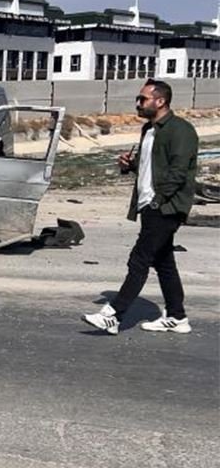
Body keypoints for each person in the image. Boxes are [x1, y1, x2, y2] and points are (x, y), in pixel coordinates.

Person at [83, 80, 198, 336]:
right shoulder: (149, 130)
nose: (138, 103)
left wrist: (158, 201)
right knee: (163, 262)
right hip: (150, 204)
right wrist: (130, 165)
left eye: (142, 99)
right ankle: (177, 317)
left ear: (160, 101)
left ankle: (114, 314)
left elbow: (178, 173)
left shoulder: (181, 130)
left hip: (166, 207)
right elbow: (152, 169)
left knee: (139, 259)